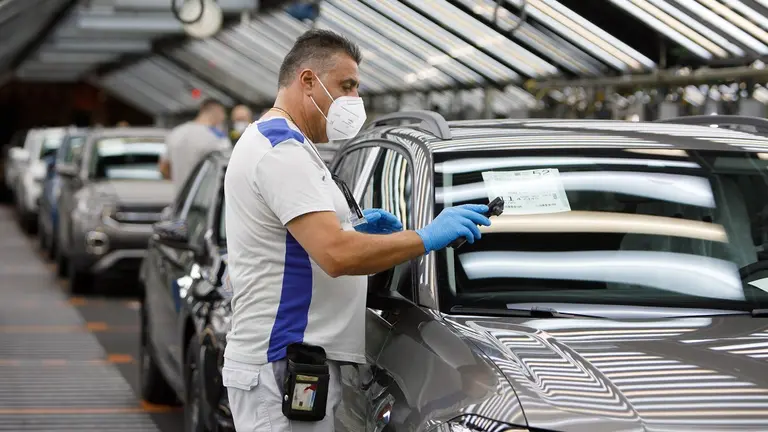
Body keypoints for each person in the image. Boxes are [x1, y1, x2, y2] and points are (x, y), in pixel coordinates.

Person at [223, 29, 491, 432]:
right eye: (346, 86)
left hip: (291, 362)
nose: (354, 99)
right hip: (283, 363)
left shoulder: (285, 145)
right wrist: (426, 237)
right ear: (308, 80)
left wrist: (357, 229)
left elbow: (296, 242)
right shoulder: (281, 152)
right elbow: (336, 255)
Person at [158, 98, 229, 191]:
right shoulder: (217, 137)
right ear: (218, 112)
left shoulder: (176, 132)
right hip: (205, 197)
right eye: (223, 114)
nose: (223, 118)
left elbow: (163, 168)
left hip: (180, 197)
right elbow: (227, 170)